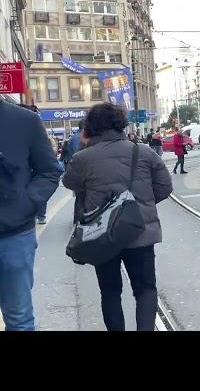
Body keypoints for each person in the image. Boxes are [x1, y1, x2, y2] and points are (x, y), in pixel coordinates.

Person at [62, 103, 173, 331]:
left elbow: (69, 182)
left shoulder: (83, 158)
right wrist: (140, 206)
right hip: (139, 231)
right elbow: (164, 187)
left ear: (91, 128)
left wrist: (83, 146)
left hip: (102, 235)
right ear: (121, 125)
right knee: (145, 289)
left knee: (110, 291)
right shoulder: (142, 152)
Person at [0, 100, 62, 330]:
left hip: (13, 236)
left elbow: (49, 171)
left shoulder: (24, 121)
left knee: (18, 317)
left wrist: (25, 205)